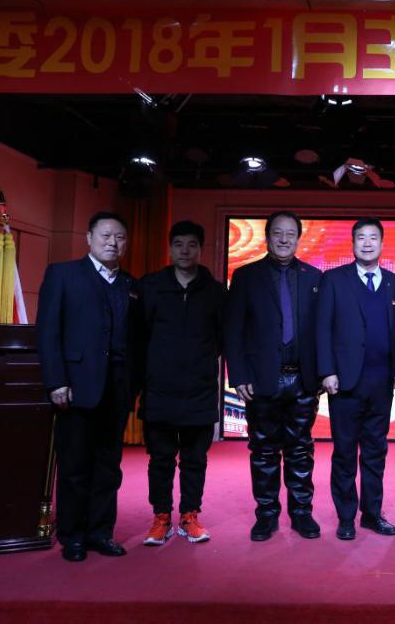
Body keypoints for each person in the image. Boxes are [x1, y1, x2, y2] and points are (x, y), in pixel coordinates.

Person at [37, 211, 141, 562]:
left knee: (108, 467)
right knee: (75, 466)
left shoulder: (131, 284)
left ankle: (100, 532)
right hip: (75, 388)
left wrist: (133, 387)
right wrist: (56, 381)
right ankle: (73, 536)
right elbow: (48, 332)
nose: (113, 243)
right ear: (89, 238)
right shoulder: (63, 275)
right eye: (106, 236)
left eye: (120, 237)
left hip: (117, 389)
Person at [224, 211, 323, 542]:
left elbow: (324, 330)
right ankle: (266, 515)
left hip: (303, 379)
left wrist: (323, 373)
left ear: (298, 238)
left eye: (290, 233)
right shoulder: (245, 276)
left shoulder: (314, 277)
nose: (284, 239)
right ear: (267, 237)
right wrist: (238, 374)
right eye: (278, 233)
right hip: (261, 380)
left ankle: (301, 513)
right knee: (264, 451)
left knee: (300, 449)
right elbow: (234, 330)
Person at [316, 218, 395, 541]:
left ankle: (372, 514)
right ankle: (346, 517)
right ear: (353, 243)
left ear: (382, 244)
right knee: (344, 452)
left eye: (373, 238)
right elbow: (322, 329)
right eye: (361, 238)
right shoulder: (334, 280)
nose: (367, 244)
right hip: (344, 382)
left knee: (375, 452)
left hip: (382, 383)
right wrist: (326, 371)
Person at [138, 220, 225, 546]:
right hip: (159, 390)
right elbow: (141, 334)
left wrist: (199, 362)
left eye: (191, 245)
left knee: (194, 460)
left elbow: (221, 338)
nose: (185, 251)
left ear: (200, 249)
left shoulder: (216, 292)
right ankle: (161, 517)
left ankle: (190, 515)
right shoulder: (151, 287)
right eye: (178, 244)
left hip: (199, 391)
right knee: (160, 459)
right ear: (170, 248)